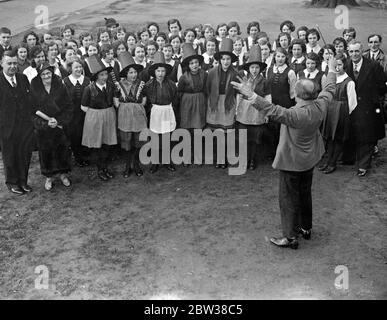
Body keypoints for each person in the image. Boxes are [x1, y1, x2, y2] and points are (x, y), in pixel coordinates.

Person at [231, 56, 338, 249]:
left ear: (298, 95)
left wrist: (250, 94)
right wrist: (331, 69)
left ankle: (290, 237)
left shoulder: (295, 114)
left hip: (291, 162)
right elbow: (330, 88)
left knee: (288, 198)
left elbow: (271, 109)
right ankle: (306, 228)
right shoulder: (320, 104)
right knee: (305, 194)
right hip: (310, 159)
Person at [343, 41, 386, 176]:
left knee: (367, 136)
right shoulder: (345, 65)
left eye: (357, 51)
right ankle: (352, 159)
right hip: (351, 106)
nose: (354, 54)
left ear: (362, 51)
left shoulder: (373, 66)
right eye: (351, 51)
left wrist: (372, 99)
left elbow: (382, 86)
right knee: (352, 133)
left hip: (368, 107)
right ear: (348, 52)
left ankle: (364, 164)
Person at [31, 62, 73, 191]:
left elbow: (68, 106)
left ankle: (63, 175)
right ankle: (49, 177)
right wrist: (45, 123)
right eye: (43, 74)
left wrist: (58, 121)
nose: (46, 76)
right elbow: (32, 111)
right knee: (46, 152)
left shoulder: (60, 86)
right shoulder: (34, 88)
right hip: (44, 128)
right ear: (39, 75)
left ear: (52, 73)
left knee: (62, 150)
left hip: (59, 126)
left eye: (48, 73)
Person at [0, 50, 35, 195]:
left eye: (15, 63)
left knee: (24, 154)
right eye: (9, 63)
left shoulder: (22, 78)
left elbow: (29, 101)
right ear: (1, 63)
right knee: (10, 155)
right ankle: (13, 182)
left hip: (24, 125)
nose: (13, 66)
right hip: (6, 127)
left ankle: (23, 181)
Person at [81, 55, 120, 181]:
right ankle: (100, 169)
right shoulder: (89, 89)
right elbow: (83, 106)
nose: (104, 77)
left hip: (109, 114)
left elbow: (115, 101)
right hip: (95, 117)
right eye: (101, 75)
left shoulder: (110, 86)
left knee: (107, 144)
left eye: (105, 74)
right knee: (97, 145)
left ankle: (105, 167)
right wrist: (95, 115)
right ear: (96, 76)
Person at [319, 53, 357, 174]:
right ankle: (328, 161)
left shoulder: (349, 82)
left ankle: (333, 163)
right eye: (335, 65)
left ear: (344, 66)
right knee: (330, 139)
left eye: (339, 65)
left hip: (341, 113)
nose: (337, 67)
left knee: (338, 139)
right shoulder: (331, 79)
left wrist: (343, 114)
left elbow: (352, 103)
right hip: (330, 111)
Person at [236, 45, 271, 170]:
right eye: (252, 67)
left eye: (257, 67)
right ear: (249, 68)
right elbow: (239, 96)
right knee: (244, 136)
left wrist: (267, 113)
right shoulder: (245, 79)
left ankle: (252, 160)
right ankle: (244, 159)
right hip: (245, 110)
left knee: (256, 138)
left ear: (260, 69)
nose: (254, 70)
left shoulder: (264, 81)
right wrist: (237, 110)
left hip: (258, 110)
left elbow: (268, 98)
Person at [206, 38, 239, 168]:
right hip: (215, 103)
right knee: (216, 132)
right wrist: (212, 102)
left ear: (231, 60)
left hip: (228, 103)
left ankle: (224, 158)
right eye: (223, 59)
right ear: (219, 60)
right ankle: (217, 158)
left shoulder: (235, 73)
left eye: (228, 59)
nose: (226, 62)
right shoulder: (212, 72)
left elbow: (237, 91)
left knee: (226, 133)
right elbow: (208, 88)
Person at [143, 51, 178, 173]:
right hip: (155, 112)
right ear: (154, 72)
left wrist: (171, 110)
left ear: (166, 72)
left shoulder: (171, 84)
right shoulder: (148, 85)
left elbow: (175, 98)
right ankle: (155, 162)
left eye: (163, 71)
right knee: (155, 138)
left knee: (166, 138)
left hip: (167, 111)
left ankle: (167, 161)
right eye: (158, 71)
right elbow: (146, 101)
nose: (160, 73)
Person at [114, 52, 147, 177]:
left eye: (135, 72)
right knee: (127, 142)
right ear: (126, 74)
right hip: (125, 116)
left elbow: (144, 99)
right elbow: (115, 100)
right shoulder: (119, 85)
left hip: (138, 115)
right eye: (130, 73)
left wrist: (137, 107)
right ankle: (127, 166)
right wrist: (124, 108)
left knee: (137, 141)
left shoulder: (141, 84)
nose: (133, 75)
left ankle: (136, 164)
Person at [178, 43, 207, 165]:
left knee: (198, 129)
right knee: (187, 129)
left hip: (200, 101)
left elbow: (206, 89)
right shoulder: (184, 77)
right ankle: (186, 156)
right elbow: (179, 92)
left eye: (196, 62)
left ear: (199, 63)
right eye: (191, 63)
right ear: (188, 66)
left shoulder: (204, 74)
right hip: (187, 103)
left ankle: (198, 156)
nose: (194, 65)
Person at [63, 58, 91, 167]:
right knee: (75, 136)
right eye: (76, 67)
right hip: (72, 115)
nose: (79, 69)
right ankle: (78, 157)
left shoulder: (87, 80)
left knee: (85, 134)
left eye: (80, 67)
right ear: (70, 69)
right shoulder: (65, 81)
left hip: (85, 113)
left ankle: (86, 155)